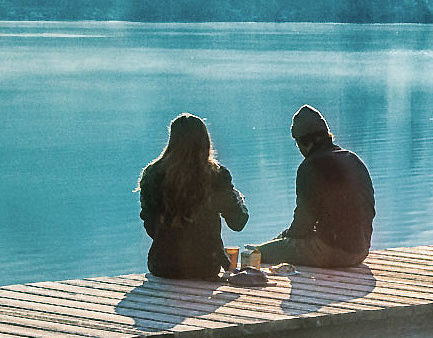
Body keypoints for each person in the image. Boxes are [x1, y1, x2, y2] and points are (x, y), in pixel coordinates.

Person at [256, 106, 375, 268]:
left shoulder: (310, 167)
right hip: (361, 250)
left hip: (333, 252)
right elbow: (369, 209)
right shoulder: (353, 160)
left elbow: (302, 225)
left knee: (257, 252)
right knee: (284, 239)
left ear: (304, 142)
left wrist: (287, 238)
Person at [139, 114, 249, 280]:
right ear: (205, 141)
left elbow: (149, 224)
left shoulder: (152, 174)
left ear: (172, 141)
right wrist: (238, 199)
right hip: (204, 266)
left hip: (162, 264)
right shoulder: (216, 176)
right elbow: (238, 222)